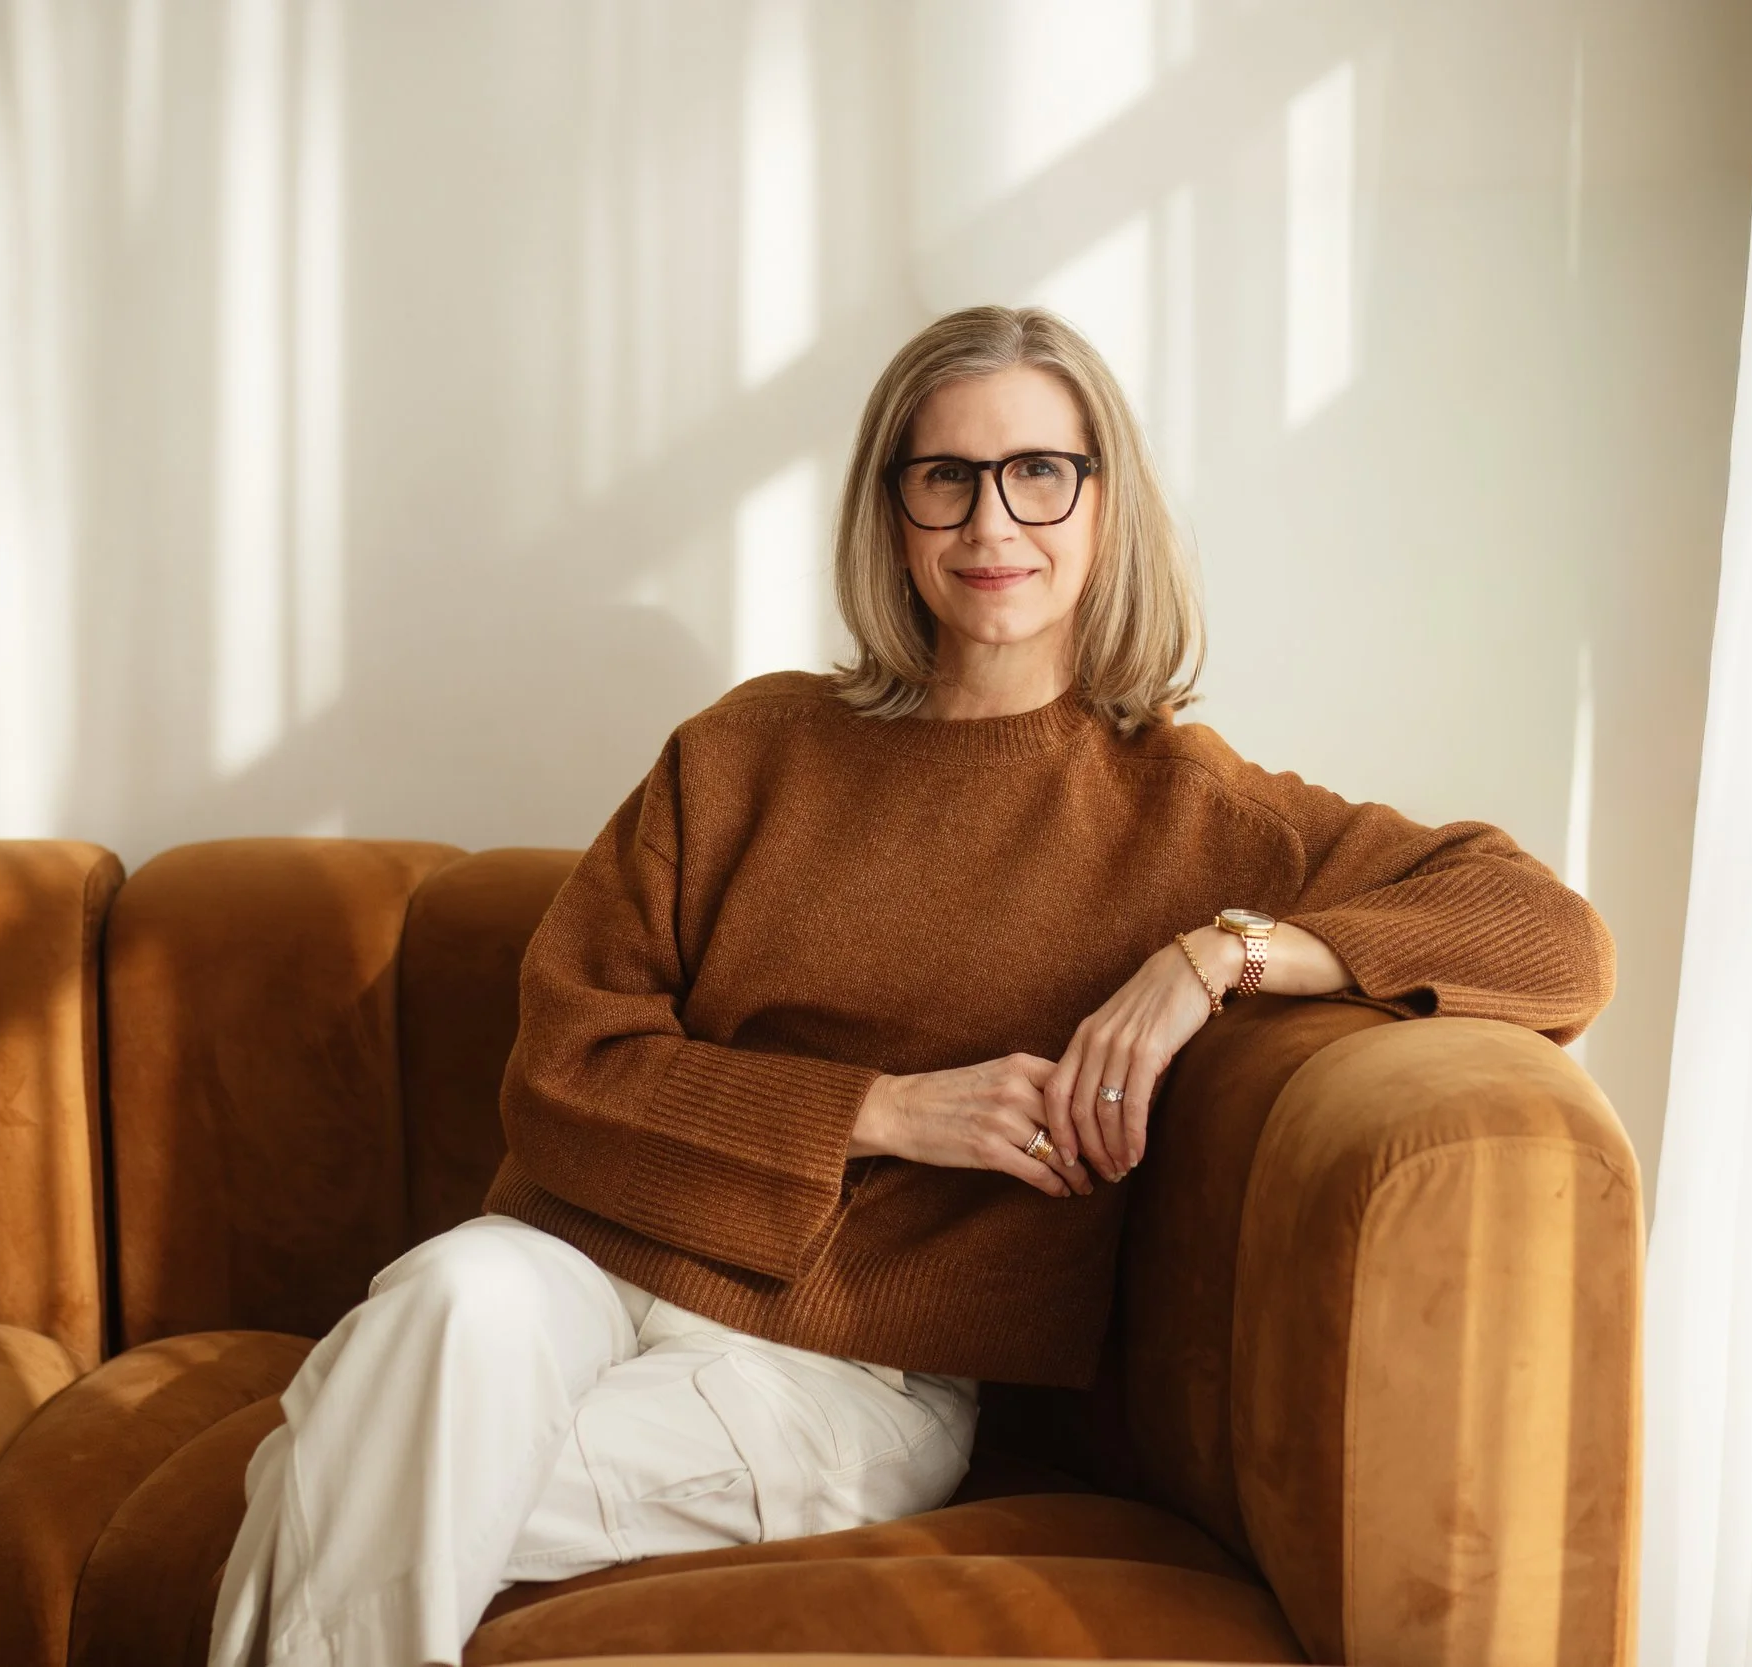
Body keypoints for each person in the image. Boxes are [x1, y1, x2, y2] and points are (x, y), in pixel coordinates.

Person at [206, 305, 1613, 1667]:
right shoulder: (746, 750)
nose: (991, 523)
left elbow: (1550, 933)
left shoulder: (1196, 814)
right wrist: (884, 1111)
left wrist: (1218, 954)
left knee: (344, 1463)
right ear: (891, 511)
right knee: (449, 1297)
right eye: (945, 476)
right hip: (579, 1262)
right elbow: (564, 1067)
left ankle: (331, 1468)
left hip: (850, 1369)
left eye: (1038, 473)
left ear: (1106, 504)